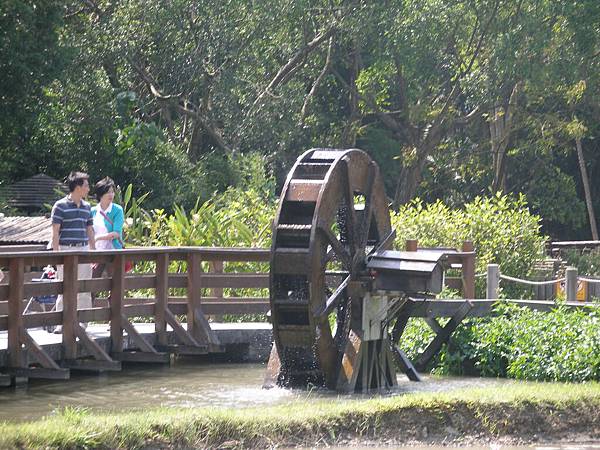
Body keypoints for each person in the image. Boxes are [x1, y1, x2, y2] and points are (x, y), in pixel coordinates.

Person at [50, 171, 95, 333]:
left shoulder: (87, 207)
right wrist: (56, 255)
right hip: (66, 248)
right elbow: (55, 232)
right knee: (63, 287)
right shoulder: (60, 206)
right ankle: (61, 323)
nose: (88, 189)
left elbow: (90, 230)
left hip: (83, 248)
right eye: (86, 186)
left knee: (84, 287)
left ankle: (82, 322)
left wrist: (93, 251)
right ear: (77, 187)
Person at [91, 177, 124, 279]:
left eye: (112, 192)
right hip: (96, 251)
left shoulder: (117, 210)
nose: (111, 195)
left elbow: (116, 233)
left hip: (113, 250)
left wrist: (97, 238)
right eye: (108, 192)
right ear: (100, 194)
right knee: (91, 282)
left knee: (115, 282)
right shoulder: (92, 211)